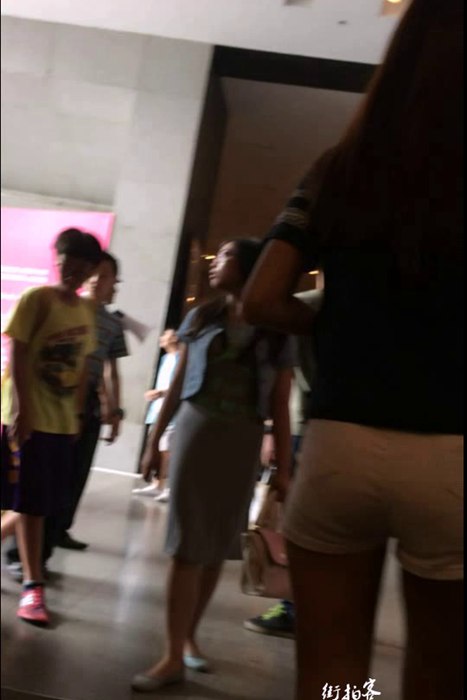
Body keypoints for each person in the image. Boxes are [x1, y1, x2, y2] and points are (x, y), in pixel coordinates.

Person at [242, 2, 463, 698]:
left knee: (332, 676)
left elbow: (260, 300)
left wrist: (337, 324)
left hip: (341, 447)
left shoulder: (340, 169)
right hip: (452, 460)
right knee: (435, 678)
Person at [131, 238, 294, 692]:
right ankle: (171, 655)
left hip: (241, 440)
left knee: (218, 544)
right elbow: (178, 382)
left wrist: (283, 468)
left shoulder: (277, 329)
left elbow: (281, 403)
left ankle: (189, 638)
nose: (215, 263)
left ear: (248, 267)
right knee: (187, 545)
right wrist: (153, 442)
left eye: (224, 256)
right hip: (195, 431)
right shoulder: (202, 316)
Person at [0, 228, 101, 626]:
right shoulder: (36, 299)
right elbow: (18, 352)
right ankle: (33, 586)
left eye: (83, 265)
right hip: (28, 417)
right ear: (57, 260)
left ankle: (33, 585)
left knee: (39, 502)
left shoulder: (85, 311)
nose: (74, 270)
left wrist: (76, 415)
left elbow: (83, 366)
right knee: (28, 502)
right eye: (67, 261)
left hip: (59, 422)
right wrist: (22, 411)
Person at [244, 285, 323, 640]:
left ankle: (294, 608)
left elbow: (283, 379)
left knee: (300, 526)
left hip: (307, 426)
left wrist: (273, 432)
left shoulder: (302, 306)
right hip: (338, 430)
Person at [45, 251, 129, 552]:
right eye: (94, 273)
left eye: (105, 276)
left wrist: (114, 410)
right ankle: (37, 534)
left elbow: (111, 369)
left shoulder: (113, 324)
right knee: (52, 469)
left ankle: (60, 528)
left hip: (90, 399)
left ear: (114, 282)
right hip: (60, 395)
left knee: (78, 469)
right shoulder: (68, 308)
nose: (96, 280)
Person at [132, 329, 180, 502]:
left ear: (174, 338)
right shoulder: (165, 359)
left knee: (168, 449)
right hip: (158, 409)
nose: (161, 338)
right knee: (158, 447)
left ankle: (169, 487)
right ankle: (157, 484)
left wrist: (161, 393)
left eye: (165, 335)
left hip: (172, 411)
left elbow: (178, 386)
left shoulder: (181, 358)